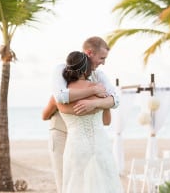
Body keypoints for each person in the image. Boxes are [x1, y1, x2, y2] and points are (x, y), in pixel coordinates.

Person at [42, 36, 118, 193]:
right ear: (90, 53)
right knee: (66, 181)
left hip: (79, 138)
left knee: (77, 183)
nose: (103, 62)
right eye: (102, 58)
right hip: (62, 133)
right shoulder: (61, 70)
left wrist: (93, 104)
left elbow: (116, 99)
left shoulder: (99, 77)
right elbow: (60, 96)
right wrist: (94, 93)